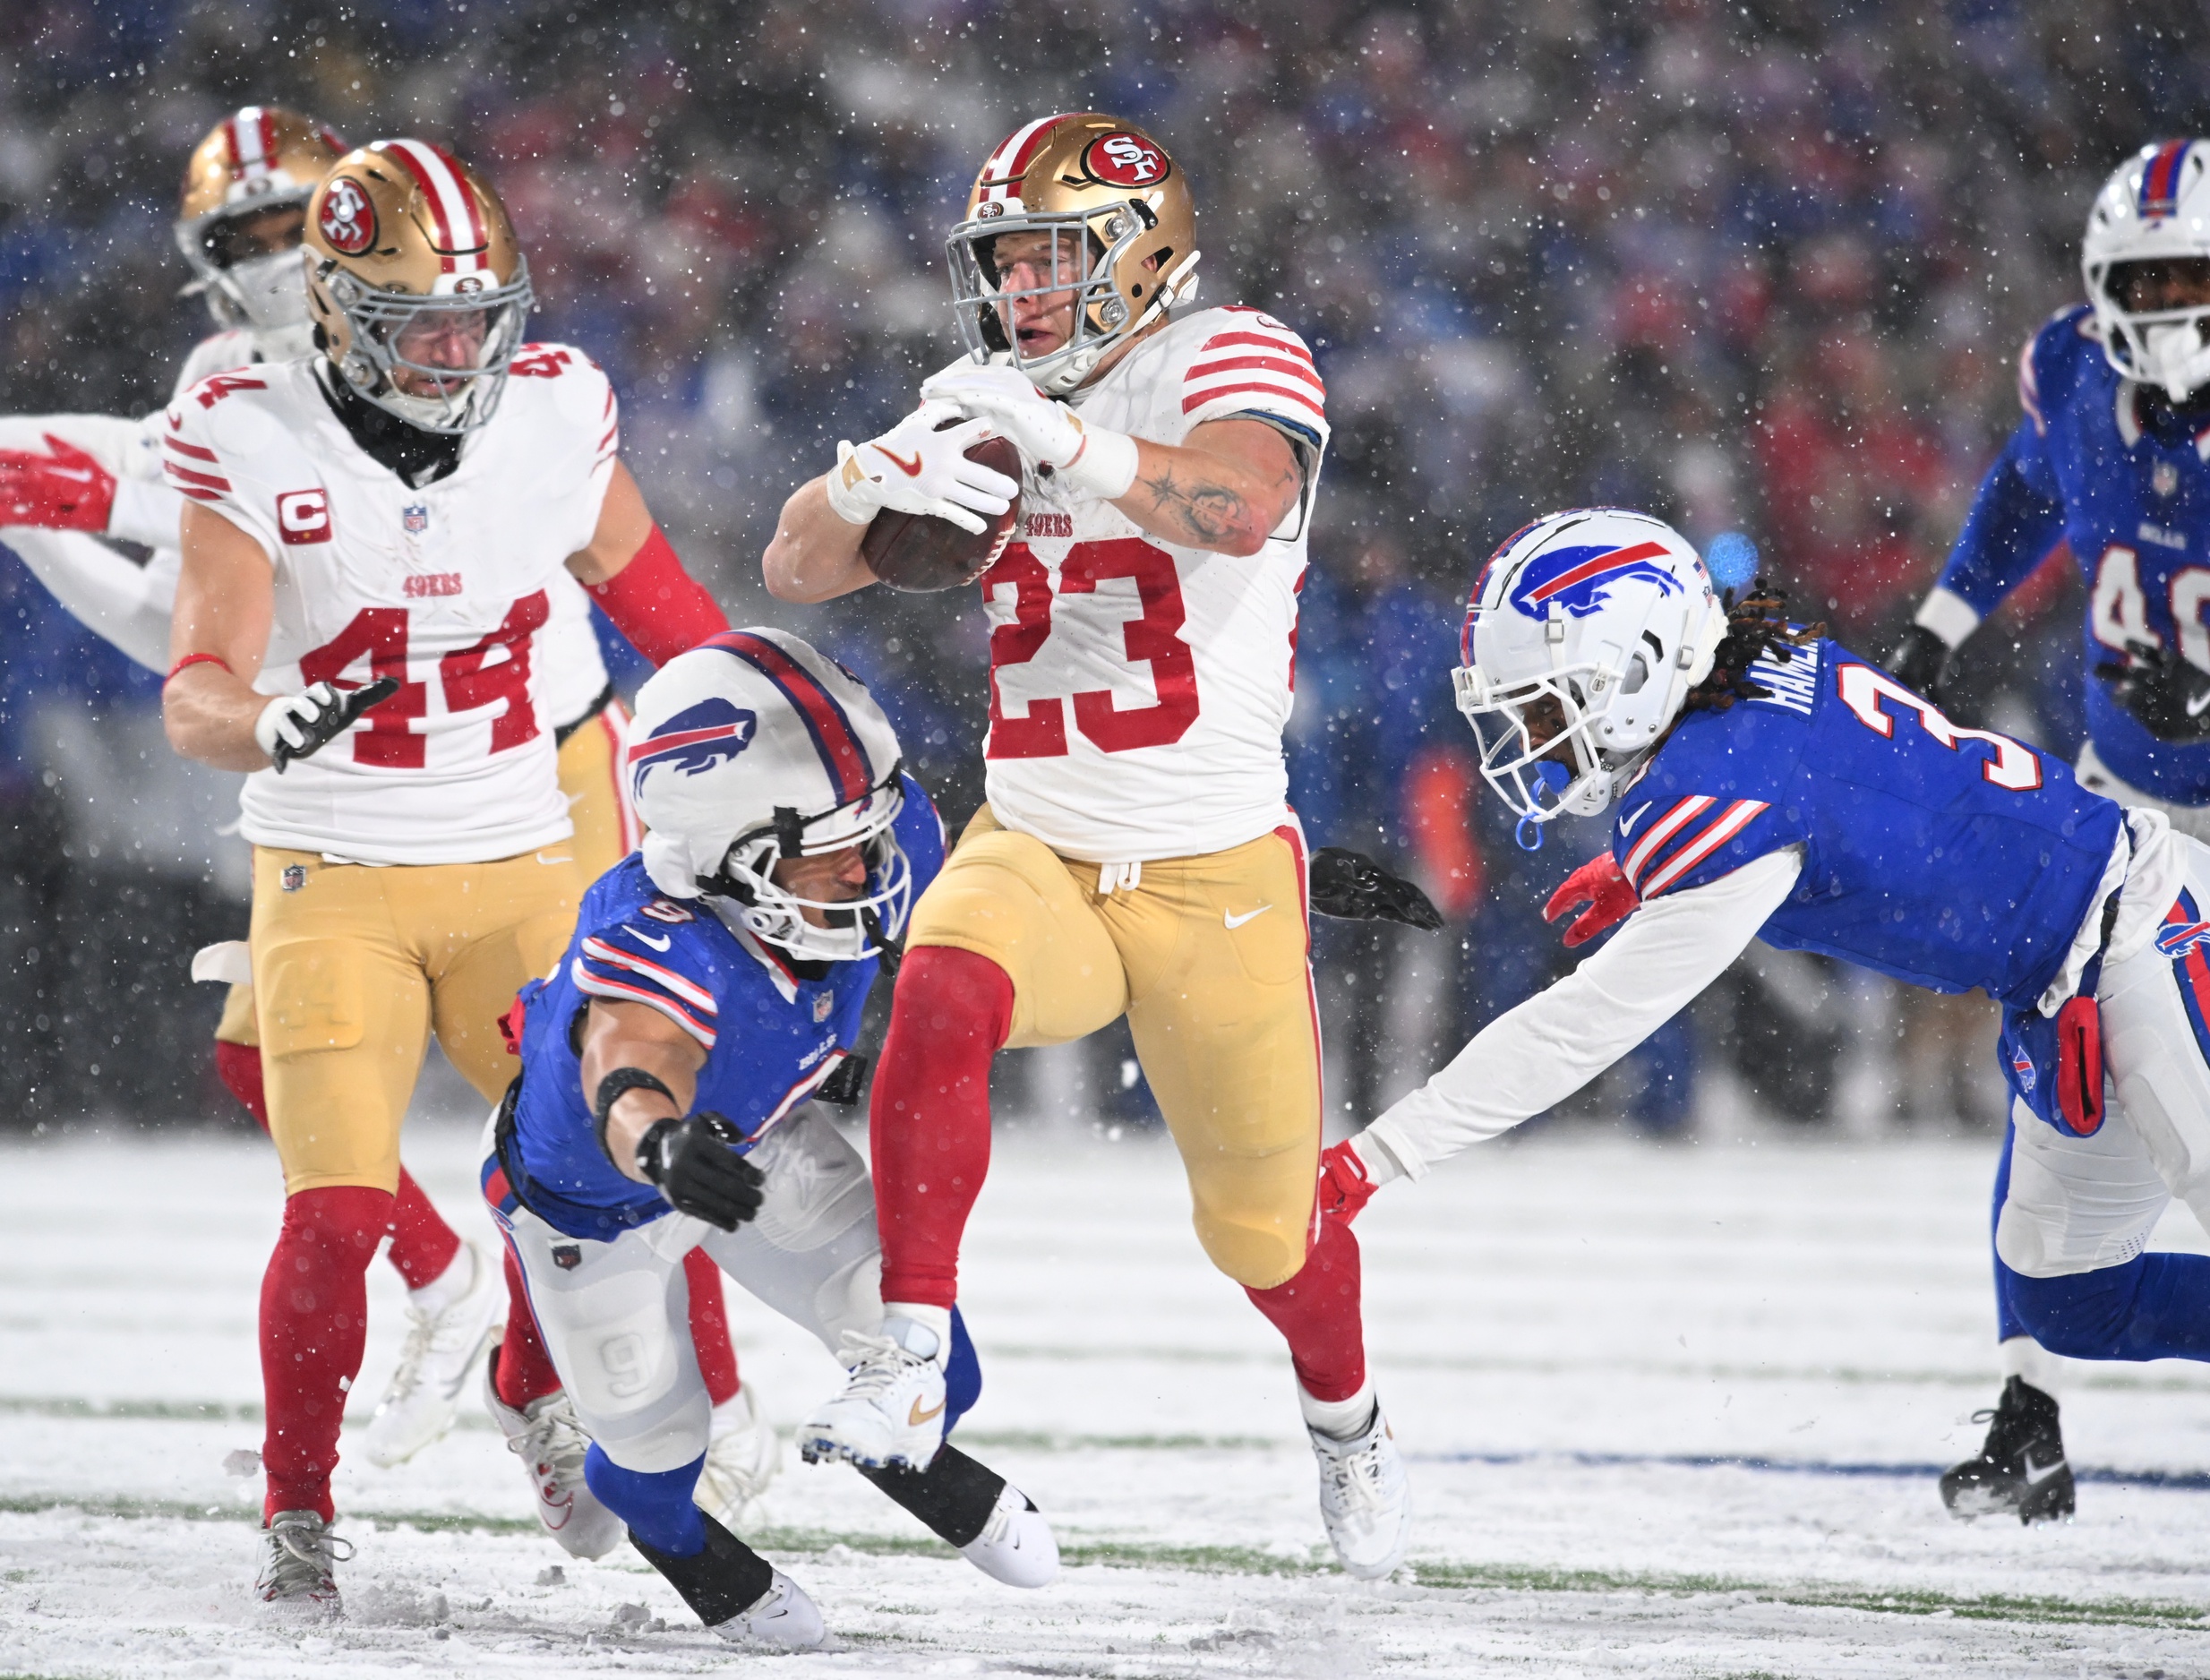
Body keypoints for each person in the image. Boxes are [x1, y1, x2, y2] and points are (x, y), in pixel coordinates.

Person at [0, 107, 774, 1521]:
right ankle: (448, 1287)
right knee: (273, 1083)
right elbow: (172, 602)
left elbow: (641, 582)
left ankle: (696, 1400)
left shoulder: (508, 383)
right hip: (347, 806)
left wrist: (741, 714)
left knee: (612, 1103)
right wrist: (37, 506)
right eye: (247, 240)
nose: (281, 260)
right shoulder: (235, 396)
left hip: (545, 771)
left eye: (302, 223)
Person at [760, 113, 1431, 1580]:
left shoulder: (1231, 353)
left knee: (1263, 1233)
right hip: (1044, 839)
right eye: (1003, 263)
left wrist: (1070, 441)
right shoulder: (979, 392)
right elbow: (794, 565)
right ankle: (911, 1356)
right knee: (937, 981)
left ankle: (1348, 1421)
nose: (1023, 291)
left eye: (1053, 258)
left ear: (1140, 253)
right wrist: (873, 481)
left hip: (1216, 867)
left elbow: (1243, 506)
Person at [1321, 509, 2210, 1539]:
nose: (1529, 743)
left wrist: (1380, 1153)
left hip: (2148, 929)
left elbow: (1584, 1026)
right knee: (2069, 1299)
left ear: (1636, 664)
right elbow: (1842, 784)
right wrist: (1646, 870)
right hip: (2065, 977)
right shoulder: (1749, 673)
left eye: (1539, 707)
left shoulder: (1723, 793)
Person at [158, 137, 731, 1610]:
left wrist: (787, 714)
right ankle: (299, 1509)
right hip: (337, 867)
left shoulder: (552, 416)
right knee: (338, 1211)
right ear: (344, 312)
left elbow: (668, 609)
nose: (464, 351)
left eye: (484, 318)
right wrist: (263, 721)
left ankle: (540, 1396)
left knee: (603, 1168)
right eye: (427, 323)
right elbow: (196, 684)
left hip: (520, 863)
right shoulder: (251, 423)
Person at [491, 629, 1057, 1649]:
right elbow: (631, 1059)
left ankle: (908, 1462)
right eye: (826, 846)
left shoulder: (869, 845)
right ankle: (685, 1547)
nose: (867, 865)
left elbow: (1013, 874)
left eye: (868, 830)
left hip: (756, 1137)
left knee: (928, 1360)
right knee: (656, 1457)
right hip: (601, 1205)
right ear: (725, 853)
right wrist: (659, 1143)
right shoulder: (653, 935)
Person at [1884, 138, 2210, 1521]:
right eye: (2151, 278)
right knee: (2055, 1080)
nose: (2173, 302)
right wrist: (1942, 626)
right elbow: (2029, 487)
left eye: (2195, 274)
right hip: (2125, 808)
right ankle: (2032, 1406)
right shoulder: (2077, 368)